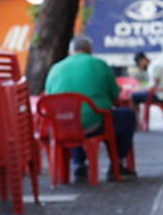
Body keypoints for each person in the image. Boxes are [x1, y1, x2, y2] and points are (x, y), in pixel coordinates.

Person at [44, 36, 137, 179]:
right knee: (127, 116)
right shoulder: (99, 64)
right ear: (90, 51)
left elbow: (49, 97)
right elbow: (114, 95)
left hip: (62, 125)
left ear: (71, 52)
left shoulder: (55, 68)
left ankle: (78, 164)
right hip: (94, 123)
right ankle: (116, 164)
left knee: (73, 117)